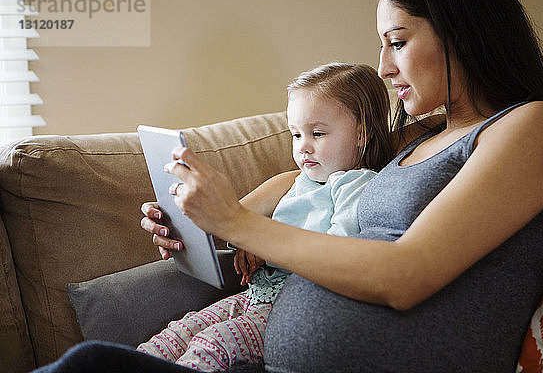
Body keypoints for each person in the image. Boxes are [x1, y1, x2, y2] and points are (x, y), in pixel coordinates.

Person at [34, 0, 543, 372]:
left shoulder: (531, 129)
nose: (383, 67)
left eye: (397, 42)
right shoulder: (420, 136)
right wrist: (208, 223)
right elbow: (311, 178)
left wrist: (236, 221)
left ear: (464, 33)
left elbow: (406, 274)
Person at [135, 62, 394, 371]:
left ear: (362, 133)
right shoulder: (298, 182)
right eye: (296, 135)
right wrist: (175, 219)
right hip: (256, 295)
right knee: (177, 334)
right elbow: (229, 222)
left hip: (294, 308)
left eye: (318, 133)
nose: (304, 148)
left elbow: (339, 251)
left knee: (213, 345)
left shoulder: (354, 184)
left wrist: (260, 239)